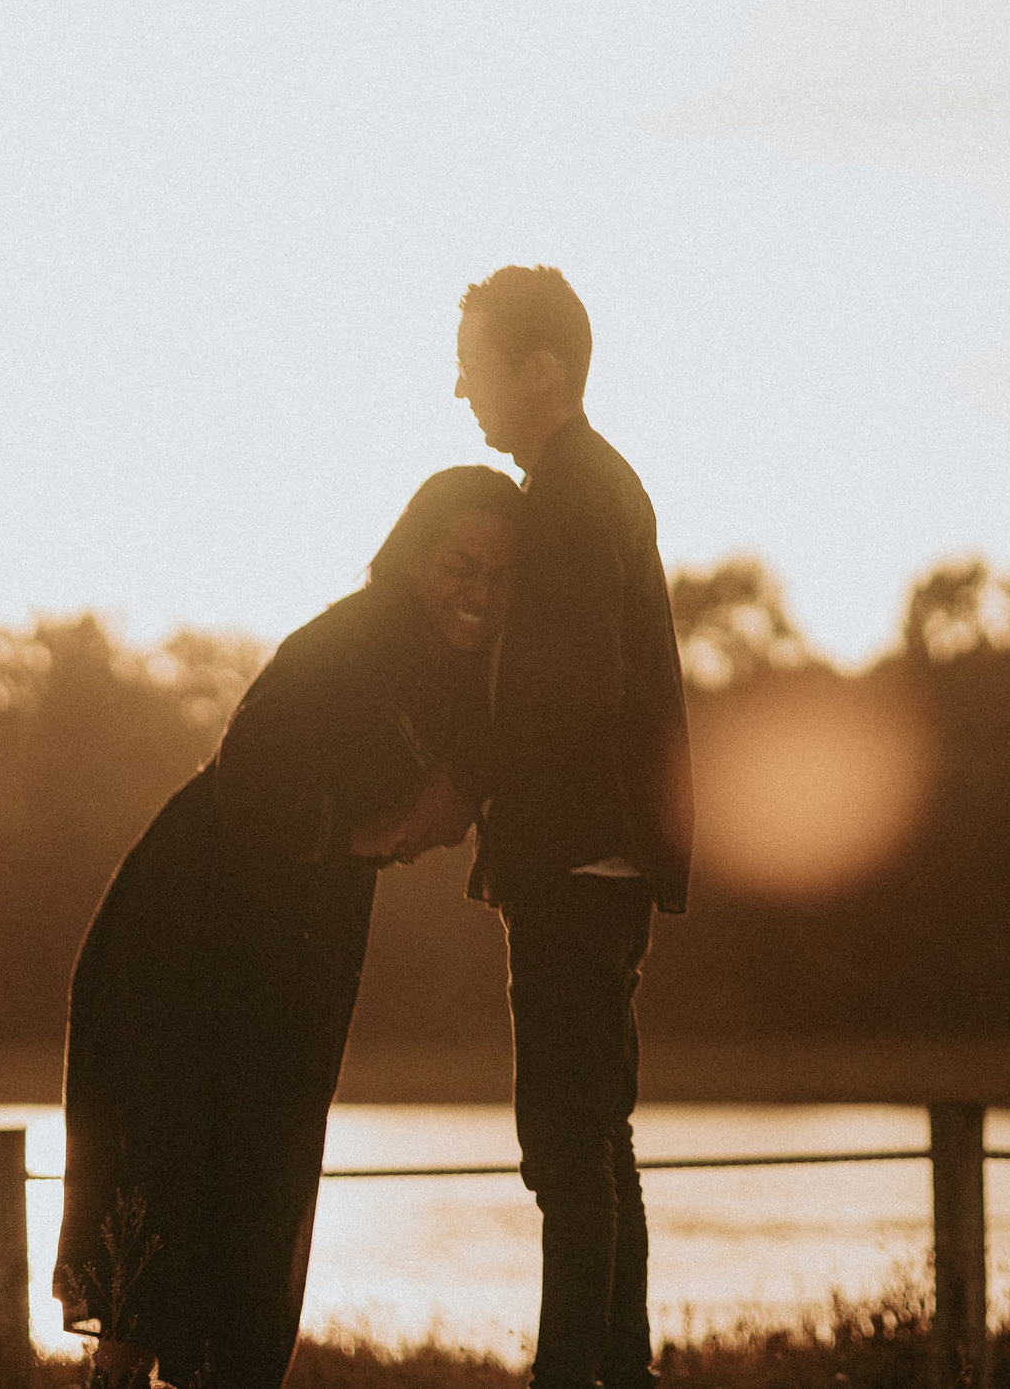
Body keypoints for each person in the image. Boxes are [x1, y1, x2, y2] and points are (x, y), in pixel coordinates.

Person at [52, 465, 523, 1389]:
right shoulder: (348, 644)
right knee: (175, 1184)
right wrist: (369, 831)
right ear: (414, 555)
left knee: (259, 1190)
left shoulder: (462, 672)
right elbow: (249, 779)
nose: (480, 593)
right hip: (186, 933)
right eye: (461, 565)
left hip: (290, 940)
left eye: (502, 578)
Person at [452, 267, 695, 1389]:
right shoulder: (595, 490)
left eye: (475, 364)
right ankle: (622, 1372)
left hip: (573, 858)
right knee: (598, 1133)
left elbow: (563, 697)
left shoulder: (571, 501)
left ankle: (573, 1378)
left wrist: (462, 782)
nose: (462, 392)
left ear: (538, 369)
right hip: (603, 855)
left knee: (563, 1147)